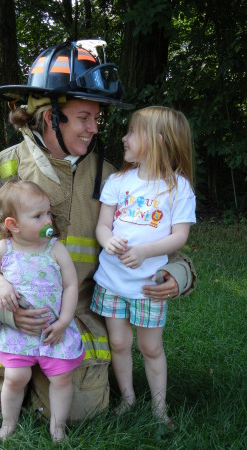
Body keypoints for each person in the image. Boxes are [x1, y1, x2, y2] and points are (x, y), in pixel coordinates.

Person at [0, 40, 196, 423]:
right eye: (84, 117)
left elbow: (156, 242)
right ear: (48, 115)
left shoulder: (113, 179)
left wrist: (179, 274)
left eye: (97, 117)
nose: (95, 128)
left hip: (73, 318)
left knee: (82, 412)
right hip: (3, 318)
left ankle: (43, 384)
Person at [90, 106, 196, 427]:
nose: (124, 138)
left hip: (148, 285)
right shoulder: (119, 181)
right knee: (119, 343)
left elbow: (179, 236)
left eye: (132, 132)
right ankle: (127, 398)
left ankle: (159, 410)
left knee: (150, 347)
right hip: (111, 281)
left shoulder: (177, 188)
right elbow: (102, 225)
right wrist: (107, 239)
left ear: (157, 140)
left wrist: (145, 251)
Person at [0, 180, 84, 441]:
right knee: (15, 377)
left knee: (62, 378)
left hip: (54, 330)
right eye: (38, 216)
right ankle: (8, 423)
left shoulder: (56, 249)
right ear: (13, 225)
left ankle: (58, 426)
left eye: (47, 213)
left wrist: (64, 321)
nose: (48, 220)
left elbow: (71, 284)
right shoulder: (3, 250)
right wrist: (1, 283)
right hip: (17, 333)